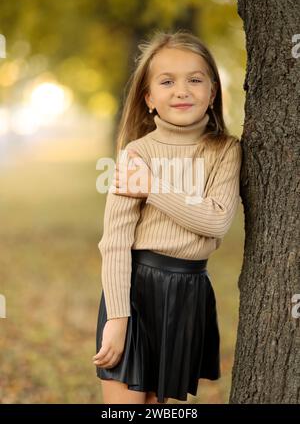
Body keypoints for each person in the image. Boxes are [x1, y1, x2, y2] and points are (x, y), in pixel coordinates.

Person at [92, 29, 242, 405]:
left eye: (195, 79)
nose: (182, 90)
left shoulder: (225, 151)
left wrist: (152, 188)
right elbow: (115, 242)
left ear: (212, 92)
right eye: (167, 81)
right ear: (149, 98)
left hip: (188, 293)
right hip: (132, 292)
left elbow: (216, 221)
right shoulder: (136, 154)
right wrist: (117, 318)